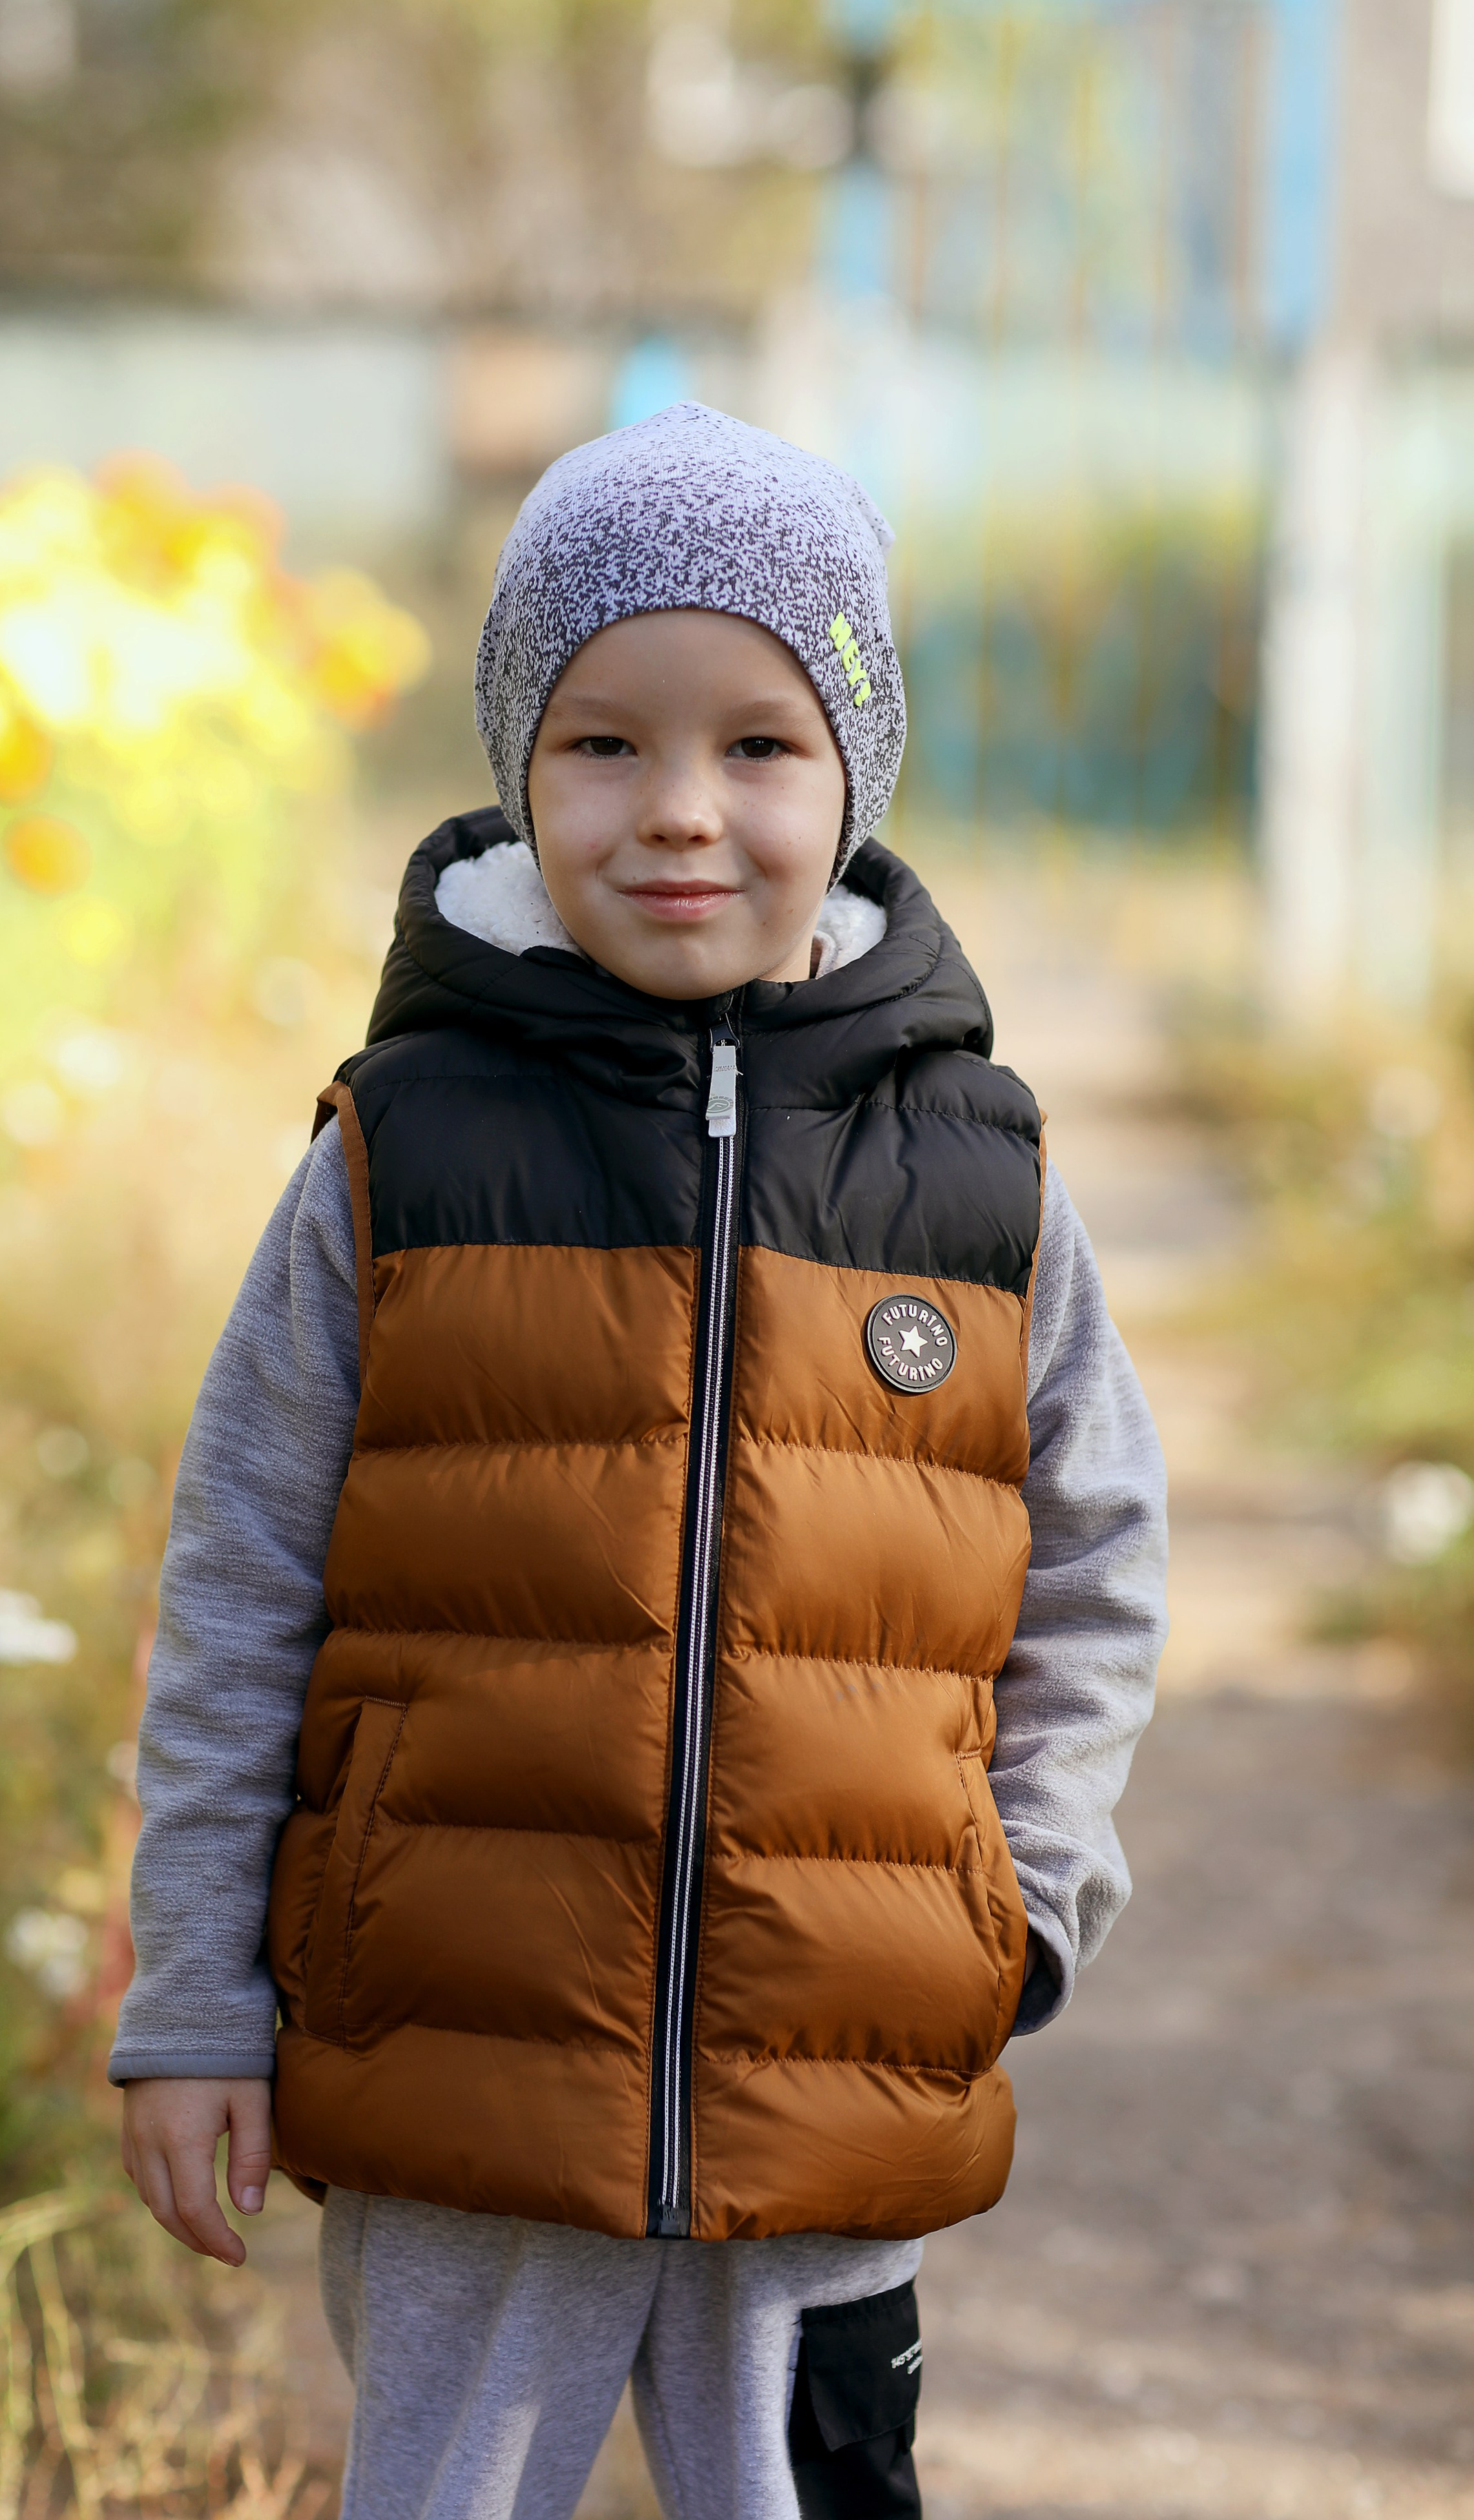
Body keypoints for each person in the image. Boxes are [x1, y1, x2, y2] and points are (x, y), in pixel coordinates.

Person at [110, 403, 1167, 2520]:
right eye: (605, 743)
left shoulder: (979, 1187)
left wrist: (1016, 1909)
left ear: (854, 773)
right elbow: (240, 1580)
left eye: (759, 745)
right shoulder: (395, 1155)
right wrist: (195, 1993)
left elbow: (1096, 1572)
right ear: (519, 763)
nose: (682, 813)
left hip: (834, 2078)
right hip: (455, 2055)